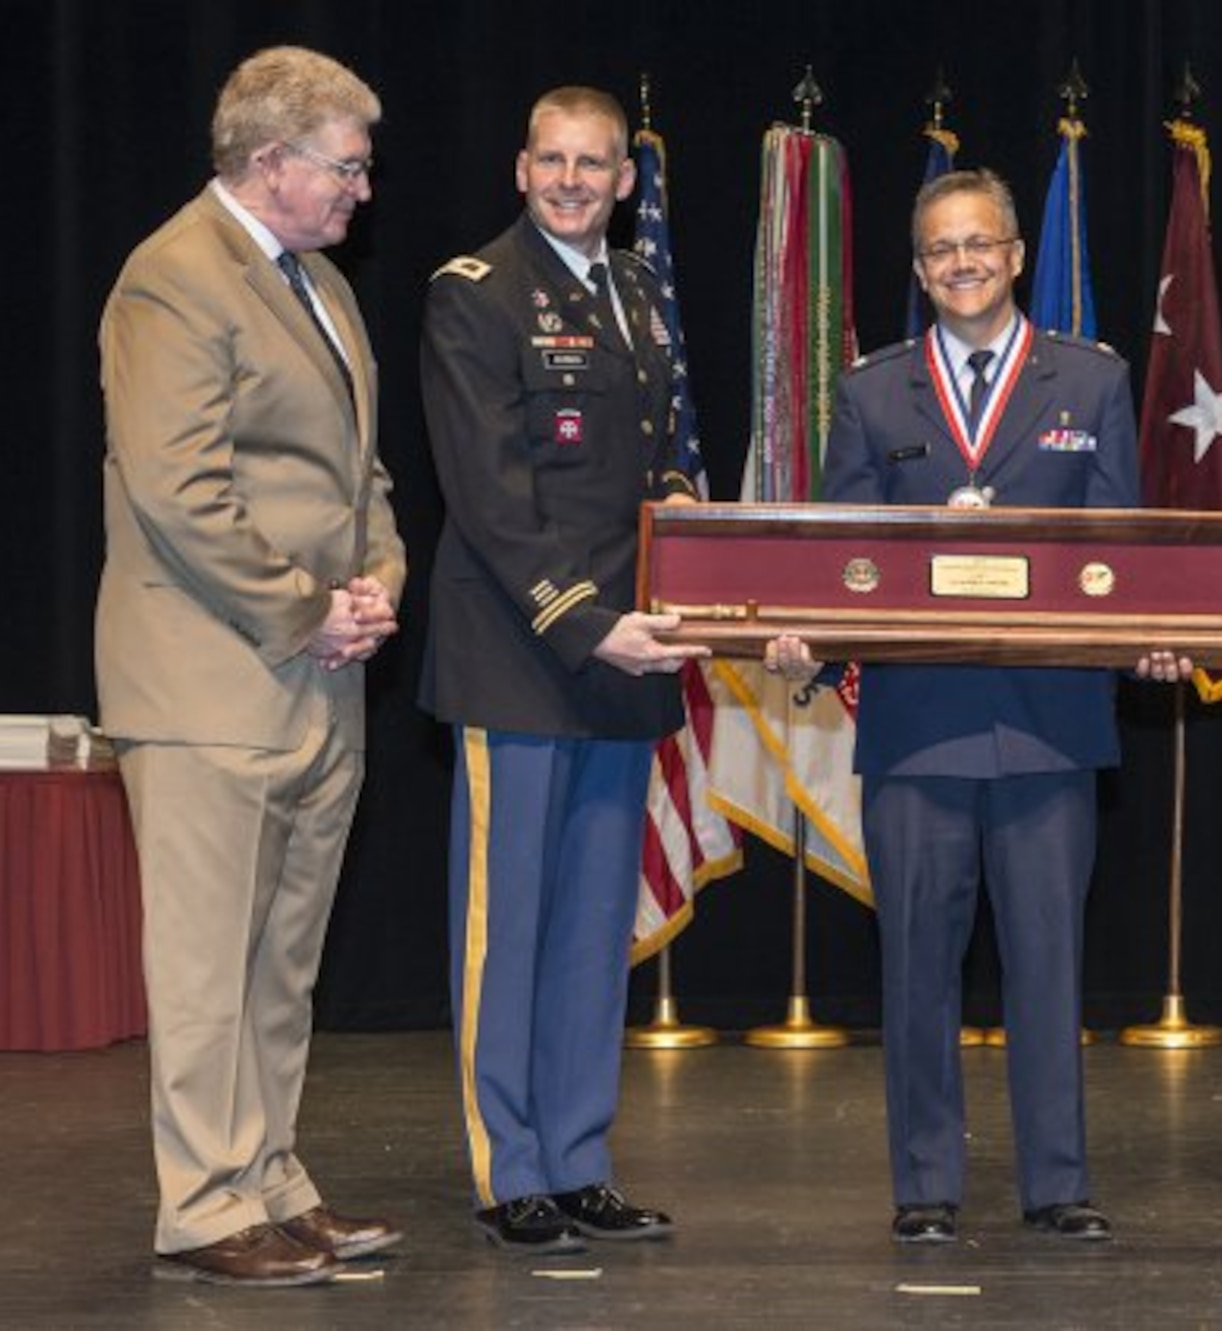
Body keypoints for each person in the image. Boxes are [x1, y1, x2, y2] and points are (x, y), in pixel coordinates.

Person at [765, 168, 1190, 1246]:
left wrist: (1145, 631)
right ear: (919, 270)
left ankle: (1057, 1183)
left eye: (979, 244)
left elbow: (1119, 546)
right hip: (916, 727)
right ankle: (924, 1185)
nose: (961, 263)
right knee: (915, 966)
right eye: (939, 249)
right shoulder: (870, 393)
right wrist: (804, 636)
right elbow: (840, 558)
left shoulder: (1089, 380)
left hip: (1049, 723)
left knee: (1048, 965)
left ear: (1012, 256)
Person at [96, 46, 406, 1287]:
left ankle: (271, 1177)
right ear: (268, 161)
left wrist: (378, 582)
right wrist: (306, 612)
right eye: (345, 165)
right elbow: (181, 491)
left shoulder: (320, 283)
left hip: (317, 679)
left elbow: (359, 472)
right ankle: (204, 1200)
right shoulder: (171, 278)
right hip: (210, 680)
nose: (362, 190)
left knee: (281, 959)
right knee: (206, 962)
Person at [419, 85, 708, 1254]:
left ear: (625, 179)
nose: (573, 180)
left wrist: (689, 536)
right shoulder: (474, 294)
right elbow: (490, 495)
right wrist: (591, 621)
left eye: (595, 164)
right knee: (508, 930)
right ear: (521, 166)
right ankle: (510, 1169)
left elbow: (658, 462)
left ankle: (580, 1157)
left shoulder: (637, 291)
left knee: (595, 928)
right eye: (553, 161)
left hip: (627, 656)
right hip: (524, 653)